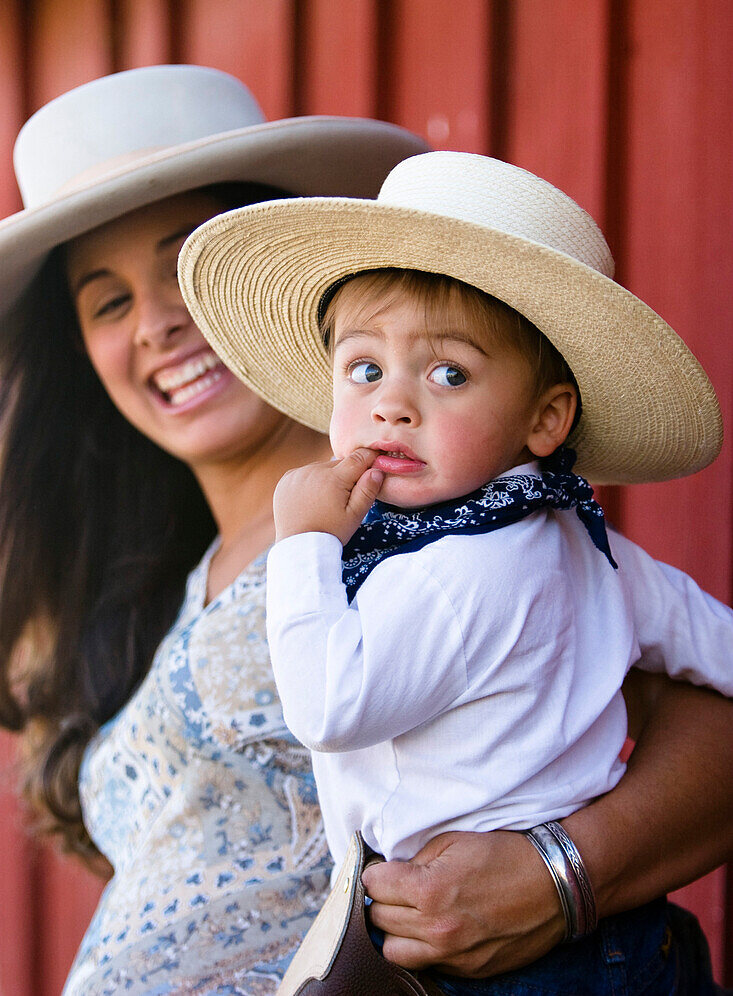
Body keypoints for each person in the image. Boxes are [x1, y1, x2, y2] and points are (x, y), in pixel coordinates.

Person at [0, 70, 729, 996]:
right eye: (107, 302)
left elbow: (714, 724)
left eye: (182, 267)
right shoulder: (161, 584)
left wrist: (561, 874)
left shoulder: (438, 524)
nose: (155, 325)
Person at [178, 150, 733, 993]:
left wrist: (300, 546)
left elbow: (330, 707)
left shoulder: (448, 571)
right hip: (622, 941)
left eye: (448, 373)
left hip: (514, 960)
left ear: (545, 418)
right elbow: (710, 640)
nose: (392, 402)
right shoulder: (583, 541)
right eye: (364, 368)